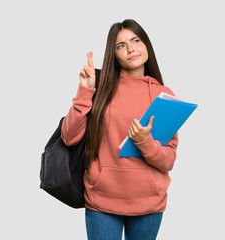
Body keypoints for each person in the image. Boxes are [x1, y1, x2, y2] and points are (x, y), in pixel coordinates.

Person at [61, 19, 178, 240]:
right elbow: (69, 137)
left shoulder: (165, 95)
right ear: (113, 55)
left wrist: (145, 142)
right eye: (121, 45)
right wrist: (85, 93)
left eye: (136, 40)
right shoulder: (101, 88)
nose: (131, 48)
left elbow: (168, 160)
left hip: (148, 202)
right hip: (102, 200)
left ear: (146, 45)